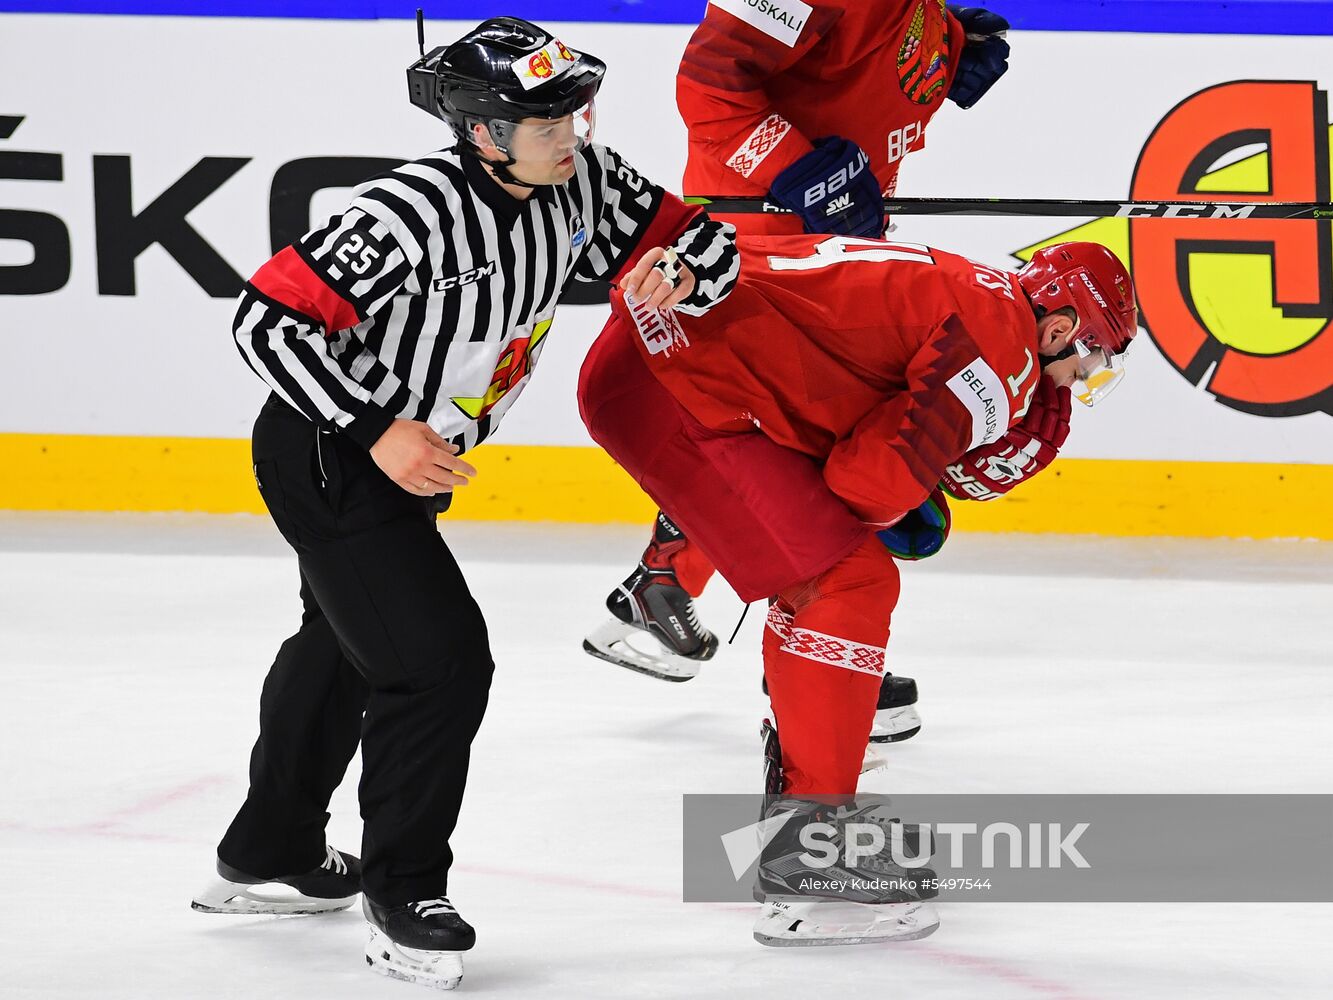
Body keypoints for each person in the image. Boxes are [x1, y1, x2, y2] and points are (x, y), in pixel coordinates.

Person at [190, 16, 738, 990]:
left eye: (575, 106)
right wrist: (378, 429)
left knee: (343, 646)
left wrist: (684, 270)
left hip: (404, 465)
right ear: (483, 132)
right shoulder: (410, 212)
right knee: (438, 664)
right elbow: (266, 320)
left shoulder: (587, 182)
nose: (570, 130)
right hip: (331, 454)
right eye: (544, 120)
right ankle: (406, 892)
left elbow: (701, 237)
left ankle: (268, 848)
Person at [578, 236, 1138, 944]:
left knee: (828, 570)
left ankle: (805, 808)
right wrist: (908, 492)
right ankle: (807, 843)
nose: (1076, 378)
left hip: (657, 344)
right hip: (680, 389)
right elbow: (863, 484)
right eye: (1086, 356)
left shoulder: (977, 285)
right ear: (1057, 328)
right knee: (847, 579)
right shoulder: (1006, 358)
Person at [583, 0, 1018, 751]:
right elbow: (709, 81)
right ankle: (814, 652)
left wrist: (943, 52)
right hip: (762, 244)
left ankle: (665, 592)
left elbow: (849, 58)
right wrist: (796, 170)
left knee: (815, 452)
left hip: (833, 236)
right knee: (805, 459)